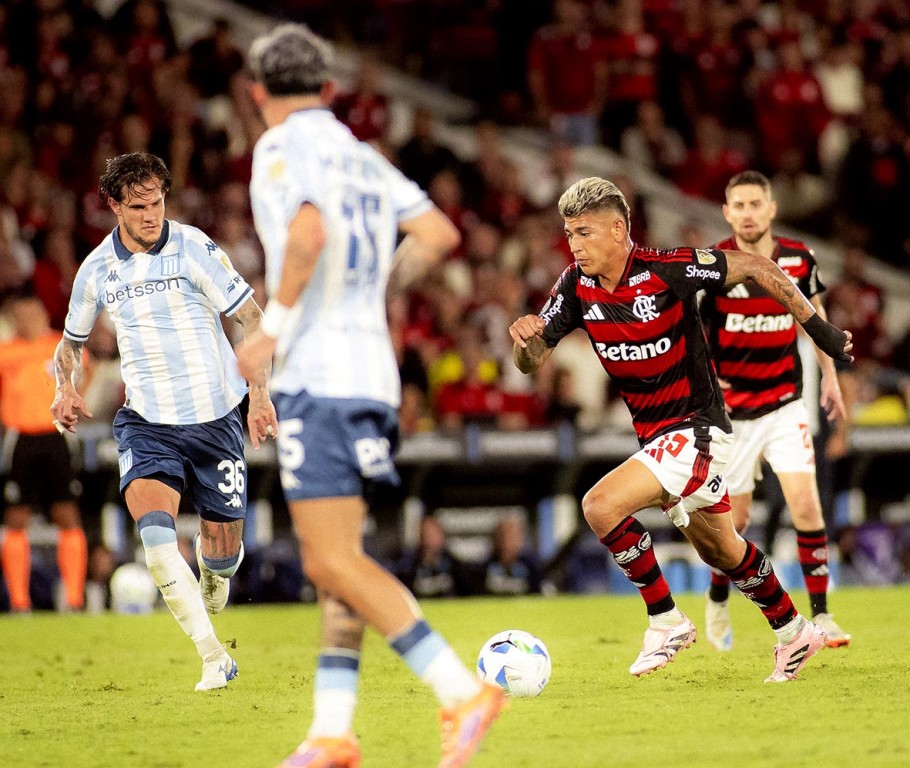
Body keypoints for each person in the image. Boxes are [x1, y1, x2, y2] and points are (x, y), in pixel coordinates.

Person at [235, 23, 504, 768]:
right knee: (342, 563)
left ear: (256, 92)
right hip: (374, 375)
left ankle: (461, 691)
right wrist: (381, 283)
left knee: (328, 562)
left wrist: (271, 331)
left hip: (318, 375)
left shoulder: (278, 148)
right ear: (328, 88)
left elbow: (308, 234)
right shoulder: (362, 154)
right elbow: (438, 233)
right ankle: (332, 731)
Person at [509, 177, 853, 683]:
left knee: (599, 505)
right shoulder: (575, 287)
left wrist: (819, 330)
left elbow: (758, 267)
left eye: (583, 233)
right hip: (658, 439)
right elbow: (532, 360)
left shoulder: (667, 269)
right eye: (569, 235)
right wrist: (525, 342)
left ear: (618, 229)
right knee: (722, 549)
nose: (574, 245)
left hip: (698, 430)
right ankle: (794, 630)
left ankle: (666, 620)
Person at [50, 152, 277, 691]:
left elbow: (252, 318)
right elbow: (70, 345)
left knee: (222, 559)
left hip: (216, 420)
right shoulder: (96, 270)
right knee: (156, 544)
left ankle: (214, 572)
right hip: (147, 424)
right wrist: (64, 387)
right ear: (114, 206)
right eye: (138, 207)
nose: (152, 215)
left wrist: (260, 396)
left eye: (157, 203)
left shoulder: (195, 247)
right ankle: (213, 657)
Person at [699, 171, 852, 651]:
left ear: (771, 209)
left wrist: (830, 377)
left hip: (785, 404)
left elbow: (817, 319)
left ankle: (822, 615)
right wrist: (707, 382)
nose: (747, 213)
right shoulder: (715, 264)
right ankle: (717, 595)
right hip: (733, 415)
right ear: (727, 213)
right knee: (735, 524)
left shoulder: (799, 259)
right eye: (739, 205)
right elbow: (692, 332)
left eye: (755, 204)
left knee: (806, 505)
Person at [0, 292, 87, 613]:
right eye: (21, 317)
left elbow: (86, 370)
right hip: (21, 438)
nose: (28, 322)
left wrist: (73, 403)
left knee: (66, 513)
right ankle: (19, 602)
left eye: (32, 315)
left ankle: (74, 599)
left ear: (43, 315)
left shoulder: (60, 347)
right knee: (16, 516)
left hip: (56, 436)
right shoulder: (6, 351)